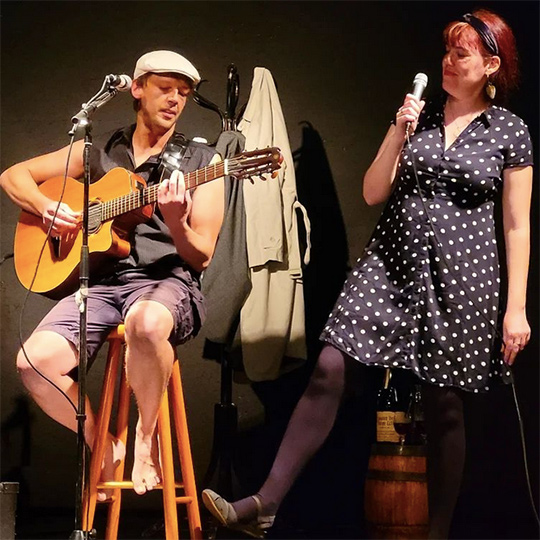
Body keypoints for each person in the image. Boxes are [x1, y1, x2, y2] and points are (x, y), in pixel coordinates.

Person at [202, 9, 533, 539]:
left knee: (444, 406)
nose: (448, 62)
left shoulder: (509, 131)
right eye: (446, 52)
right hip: (390, 266)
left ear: (490, 66)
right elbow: (373, 191)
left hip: (463, 279)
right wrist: (399, 131)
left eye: (461, 54)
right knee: (330, 367)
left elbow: (517, 225)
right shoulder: (419, 117)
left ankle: (437, 533)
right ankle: (266, 503)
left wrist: (516, 309)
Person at [0, 50, 225, 499]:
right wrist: (46, 207)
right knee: (34, 362)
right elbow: (13, 176)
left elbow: (201, 256)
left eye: (183, 94)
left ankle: (145, 439)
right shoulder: (99, 151)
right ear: (137, 88)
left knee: (146, 322)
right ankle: (102, 443)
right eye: (165, 88)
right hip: (101, 284)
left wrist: (176, 221)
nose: (175, 100)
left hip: (166, 282)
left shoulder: (204, 161)